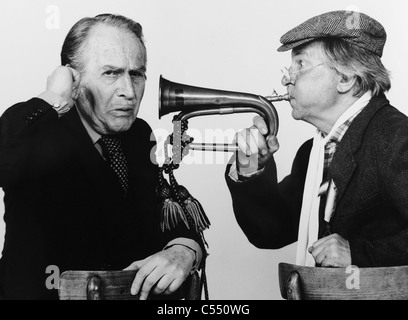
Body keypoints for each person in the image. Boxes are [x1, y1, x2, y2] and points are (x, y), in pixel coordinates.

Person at [0, 13, 204, 300]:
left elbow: (167, 214)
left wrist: (184, 251)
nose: (129, 92)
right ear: (73, 78)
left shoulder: (139, 135)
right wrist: (51, 97)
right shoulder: (37, 130)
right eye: (111, 73)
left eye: (136, 74)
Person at [226, 10, 408, 268]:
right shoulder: (313, 150)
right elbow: (270, 232)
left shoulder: (397, 138)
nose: (286, 78)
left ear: (345, 78)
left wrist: (358, 254)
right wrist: (250, 169)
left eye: (300, 64)